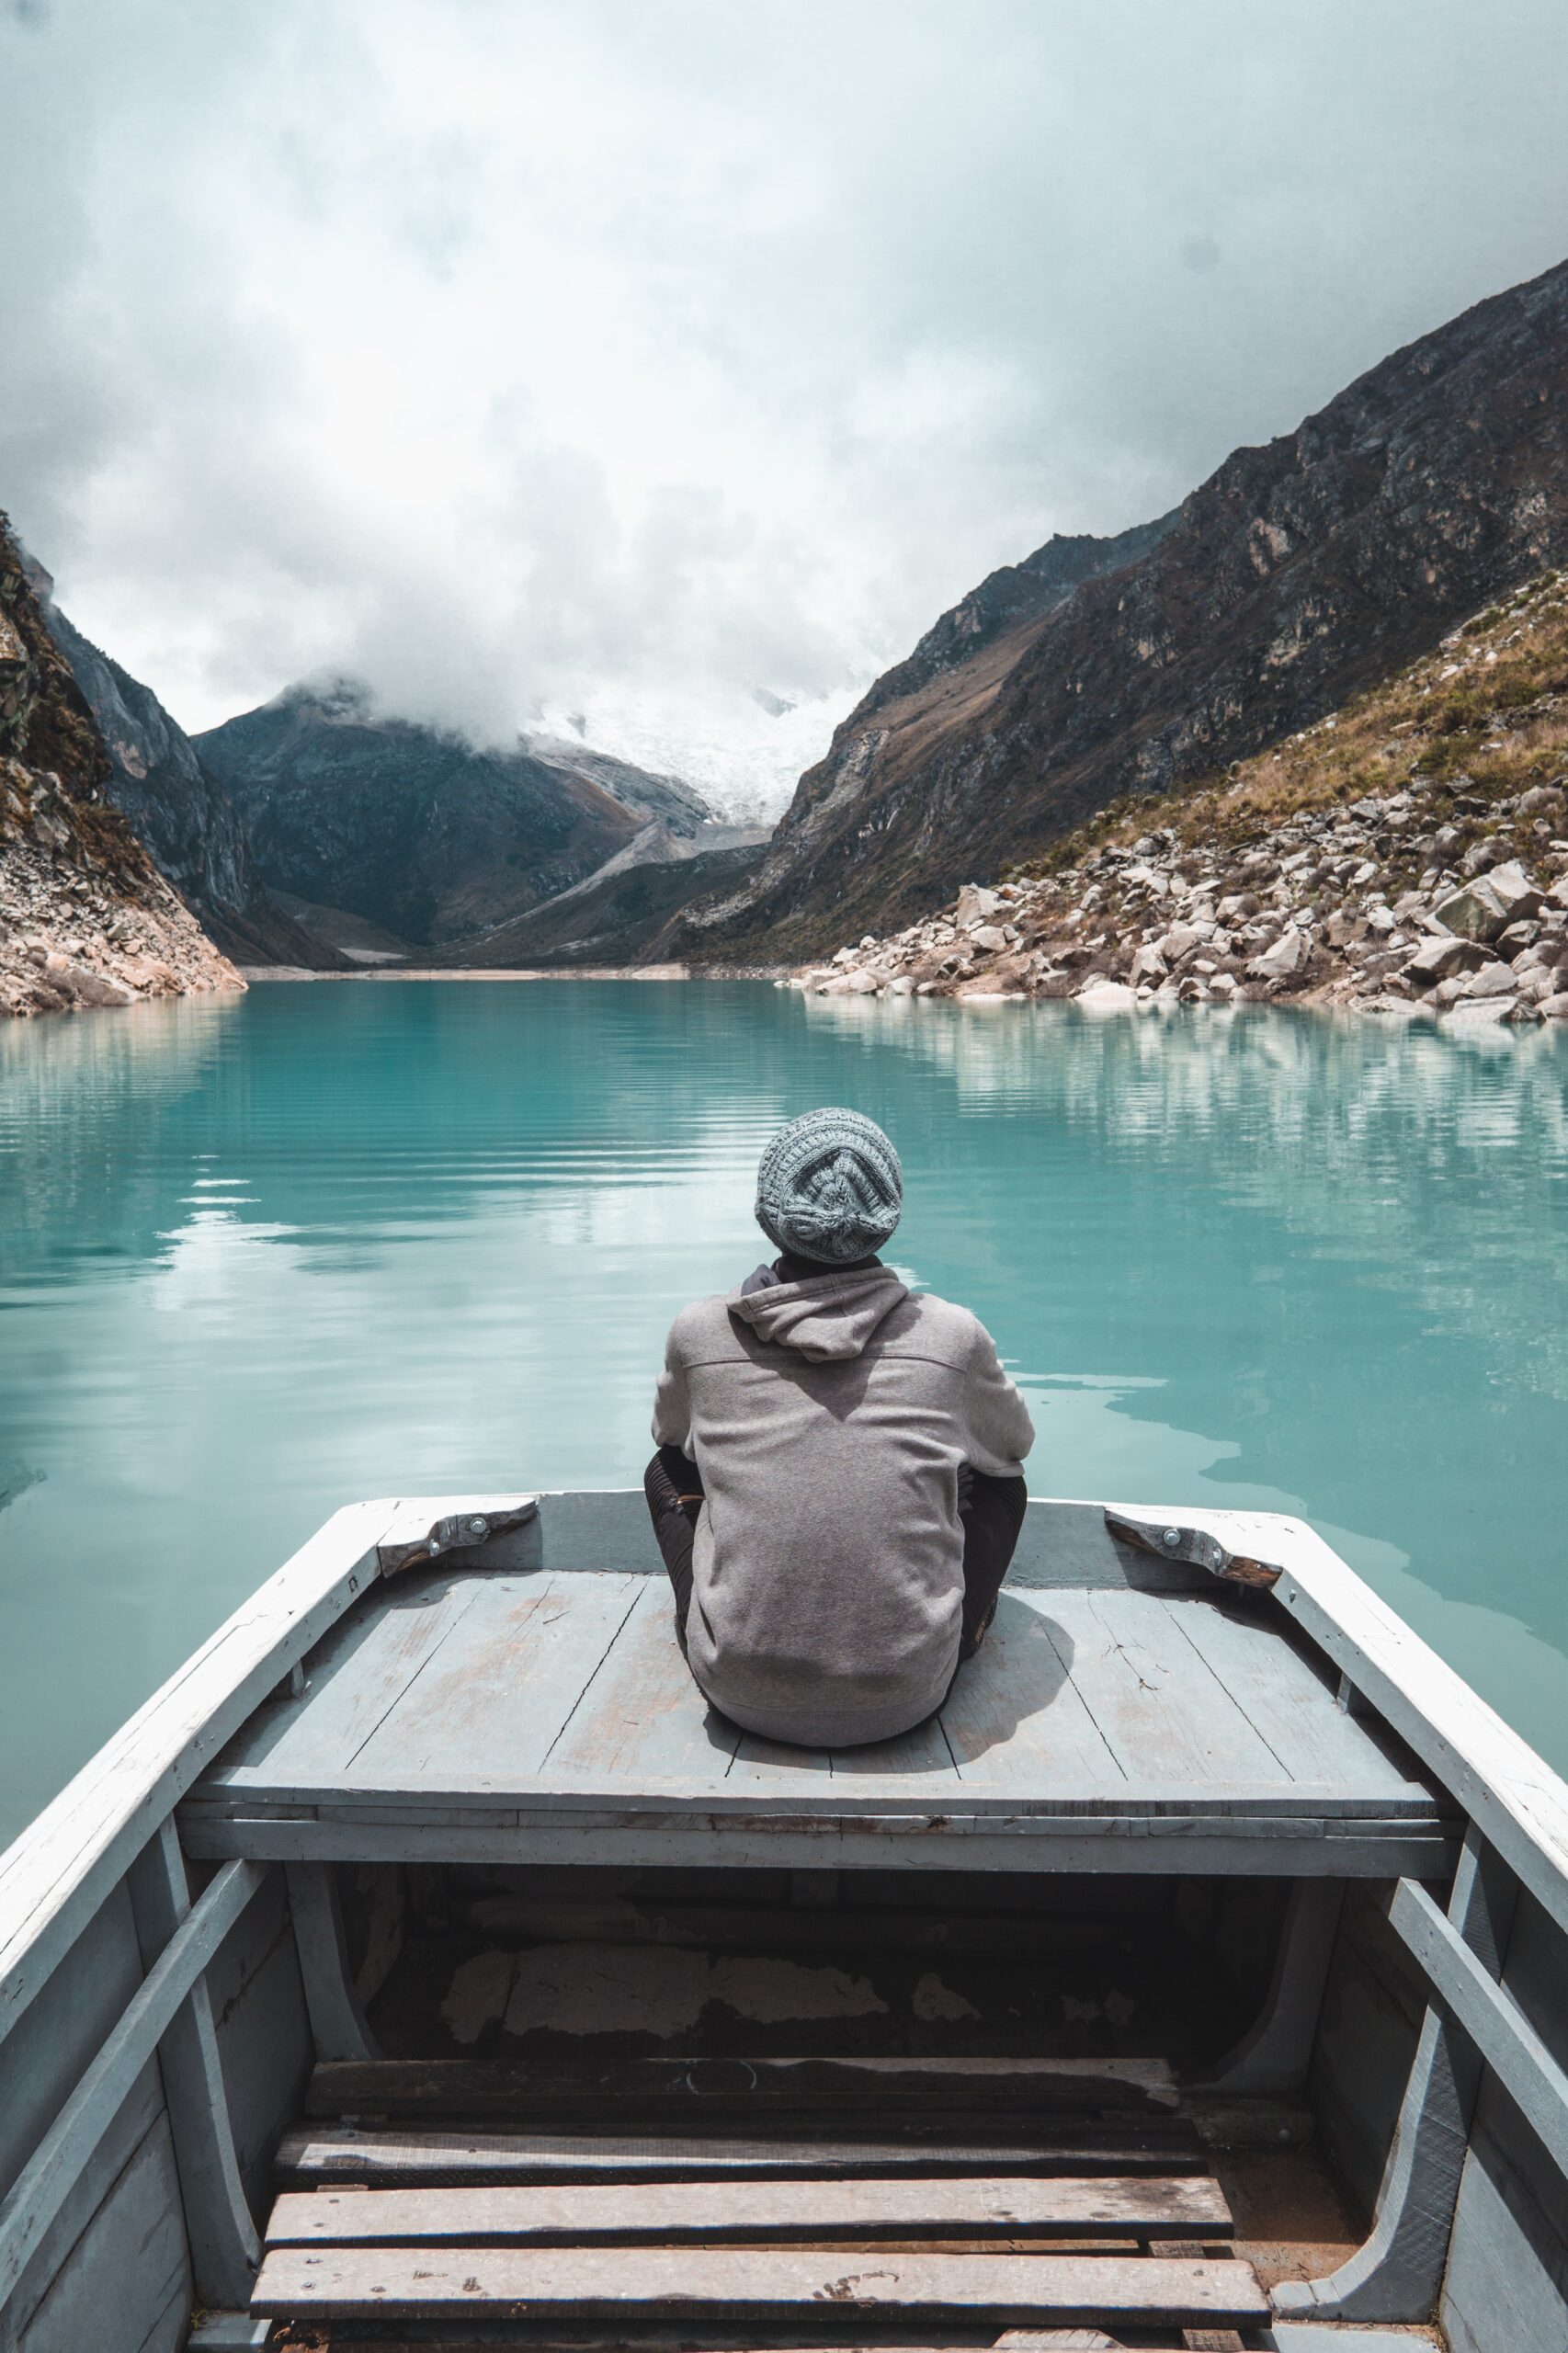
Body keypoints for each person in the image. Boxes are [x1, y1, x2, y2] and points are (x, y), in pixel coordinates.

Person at [644, 1106, 1035, 1748]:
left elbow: (669, 1436)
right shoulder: (951, 1336)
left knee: (667, 1467)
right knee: (999, 1479)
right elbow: (1013, 1448)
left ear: (770, 1214)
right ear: (887, 1215)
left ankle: (724, 1627)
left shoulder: (701, 1331)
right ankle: (959, 1629)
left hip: (739, 1693)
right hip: (907, 1698)